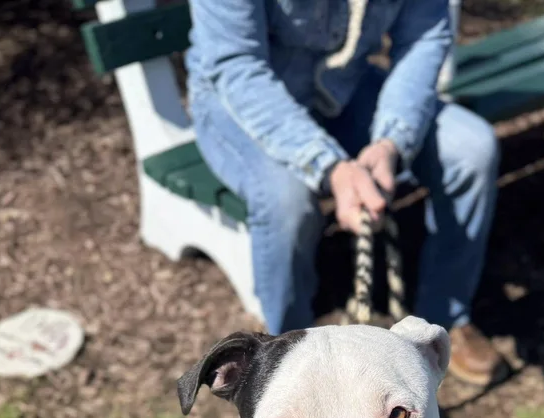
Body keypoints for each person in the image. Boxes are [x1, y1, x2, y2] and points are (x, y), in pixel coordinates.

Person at [186, 0, 507, 388]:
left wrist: (391, 142)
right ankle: (281, 351)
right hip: (237, 102)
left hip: (346, 87)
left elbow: (424, 38)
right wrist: (328, 166)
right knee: (287, 201)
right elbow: (236, 66)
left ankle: (443, 322)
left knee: (471, 149)